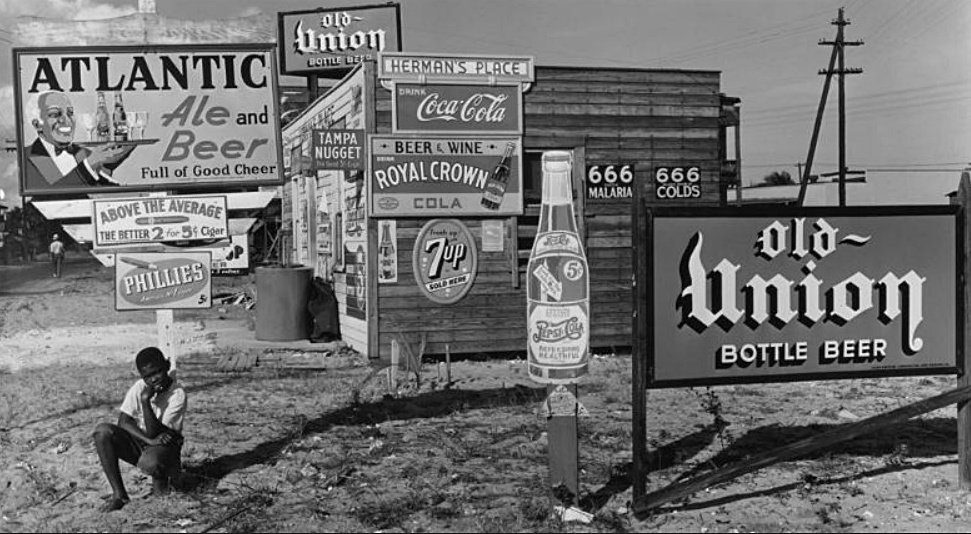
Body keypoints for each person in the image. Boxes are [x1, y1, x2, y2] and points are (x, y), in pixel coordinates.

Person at [93, 347, 186, 512]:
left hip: (166, 445)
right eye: (147, 376)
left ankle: (166, 478)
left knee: (155, 472)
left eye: (157, 372)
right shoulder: (140, 387)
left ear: (167, 366)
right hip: (147, 441)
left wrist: (145, 402)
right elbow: (123, 421)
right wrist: (148, 440)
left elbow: (155, 433)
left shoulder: (177, 394)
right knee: (103, 432)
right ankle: (119, 495)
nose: (154, 379)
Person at [22, 90, 135, 191]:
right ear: (37, 125)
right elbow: (49, 195)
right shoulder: (24, 158)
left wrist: (110, 164)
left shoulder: (83, 153)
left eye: (70, 113)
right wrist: (90, 164)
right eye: (55, 114)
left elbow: (103, 188)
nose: (67, 120)